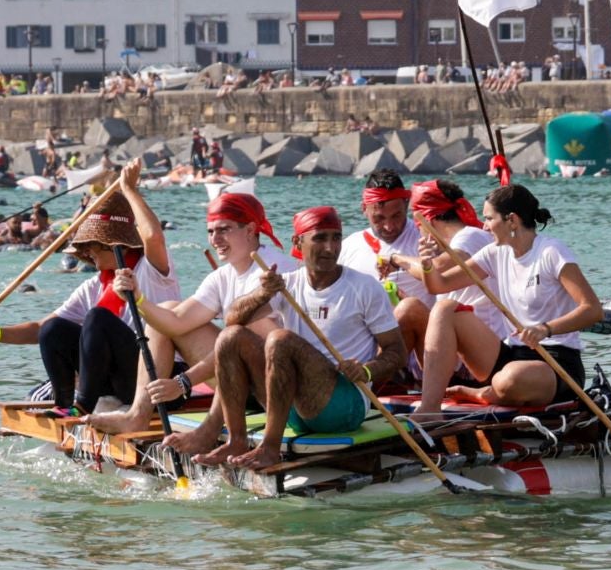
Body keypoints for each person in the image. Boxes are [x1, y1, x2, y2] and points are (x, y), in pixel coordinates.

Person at [197, 206, 405, 470]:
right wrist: (262, 294)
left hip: (344, 405)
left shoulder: (364, 287)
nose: (330, 247)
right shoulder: (287, 283)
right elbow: (232, 319)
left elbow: (396, 351)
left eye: (336, 238)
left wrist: (366, 370)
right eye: (320, 238)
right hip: (292, 406)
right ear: (297, 243)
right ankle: (236, 441)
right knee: (230, 337)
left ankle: (270, 448)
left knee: (280, 340)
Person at [0, 175, 177, 418]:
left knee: (98, 317)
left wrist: (129, 190)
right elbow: (39, 329)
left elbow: (153, 236)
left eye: (91, 244)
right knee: (53, 329)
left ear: (113, 244)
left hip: (155, 377)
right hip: (117, 382)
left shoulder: (152, 269)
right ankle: (64, 404)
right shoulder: (92, 287)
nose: (86, 251)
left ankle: (82, 405)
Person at [392, 184, 604, 415]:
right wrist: (426, 264)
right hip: (512, 355)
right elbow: (438, 285)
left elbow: (592, 310)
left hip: (556, 362)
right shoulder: (494, 252)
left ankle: (483, 393)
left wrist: (545, 329)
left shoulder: (551, 252)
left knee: (510, 378)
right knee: (445, 308)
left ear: (511, 220)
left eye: (489, 218)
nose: (484, 226)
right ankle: (430, 408)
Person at [150, 193, 300, 452]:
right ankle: (139, 412)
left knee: (240, 330)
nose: (215, 239)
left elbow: (239, 340)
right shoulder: (223, 275)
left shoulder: (276, 269)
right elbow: (175, 321)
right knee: (165, 311)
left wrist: (183, 382)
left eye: (224, 230)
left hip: (280, 388)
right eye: (211, 231)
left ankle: (209, 429)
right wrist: (137, 298)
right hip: (239, 383)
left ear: (250, 230)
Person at [392, 179, 509, 370]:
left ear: (428, 220)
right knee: (410, 307)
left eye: (418, 225)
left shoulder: (471, 236)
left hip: (485, 351)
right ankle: (386, 377)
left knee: (410, 309)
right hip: (462, 348)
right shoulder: (459, 242)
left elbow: (437, 269)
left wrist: (396, 259)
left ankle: (375, 379)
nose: (419, 232)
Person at [338, 168, 428, 310]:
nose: (389, 227)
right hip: (366, 322)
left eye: (396, 216)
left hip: (415, 320)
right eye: (379, 218)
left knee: (407, 308)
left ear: (406, 205)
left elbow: (442, 275)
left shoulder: (425, 239)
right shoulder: (347, 246)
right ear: (364, 209)